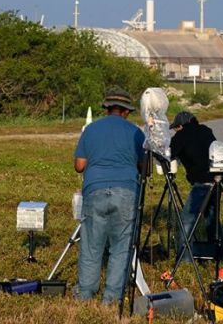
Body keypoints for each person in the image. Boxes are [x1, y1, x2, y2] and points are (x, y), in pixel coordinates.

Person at [73, 87, 146, 304]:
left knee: (91, 245)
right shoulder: (136, 132)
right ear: (126, 111)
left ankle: (85, 294)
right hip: (126, 190)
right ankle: (112, 297)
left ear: (106, 108)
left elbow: (79, 165)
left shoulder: (91, 129)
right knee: (121, 246)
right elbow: (144, 167)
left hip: (95, 188)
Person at [169, 111, 217, 261]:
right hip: (217, 179)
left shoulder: (181, 135)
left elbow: (169, 154)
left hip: (201, 182)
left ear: (181, 126)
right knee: (212, 218)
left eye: (176, 128)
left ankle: (185, 258)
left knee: (187, 219)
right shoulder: (206, 131)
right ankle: (216, 252)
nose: (176, 131)